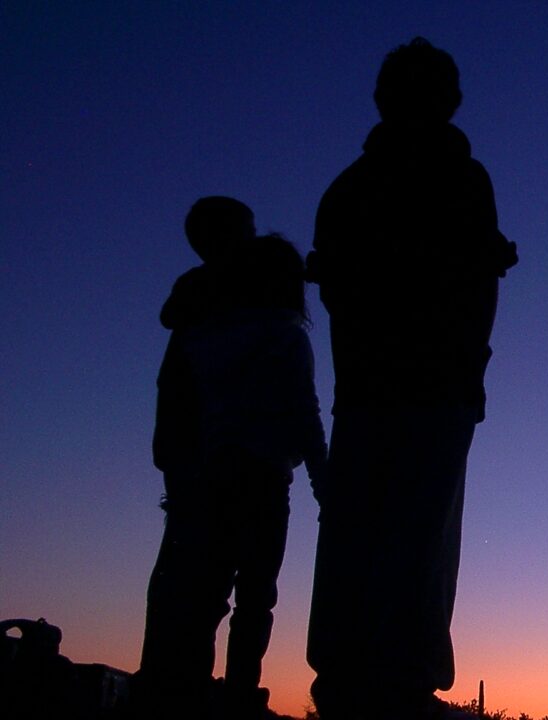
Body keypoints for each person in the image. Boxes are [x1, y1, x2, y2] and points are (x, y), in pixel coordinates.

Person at [305, 37, 517, 720]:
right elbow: (477, 285)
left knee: (360, 538)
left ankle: (352, 680)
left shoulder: (350, 188)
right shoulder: (460, 180)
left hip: (375, 390)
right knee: (415, 537)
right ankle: (395, 683)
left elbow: (340, 288)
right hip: (426, 389)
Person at [139, 202, 327, 720]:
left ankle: (190, 693)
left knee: (204, 595)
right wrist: (322, 480)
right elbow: (304, 414)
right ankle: (240, 694)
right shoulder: (286, 337)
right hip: (264, 477)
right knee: (256, 597)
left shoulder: (204, 336)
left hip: (209, 473)